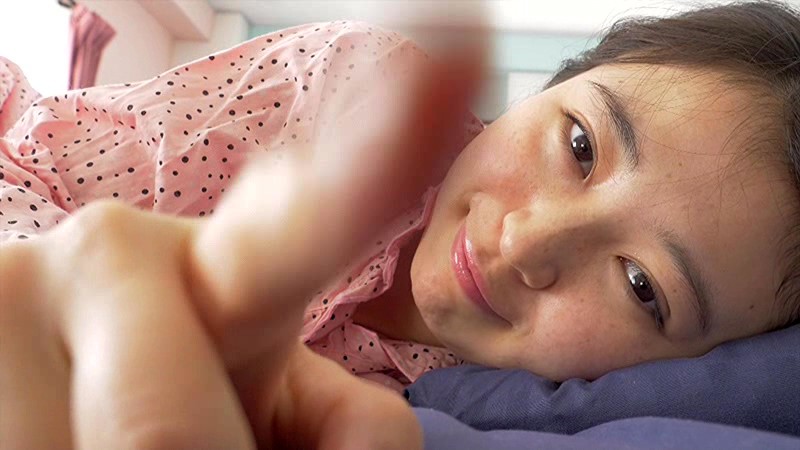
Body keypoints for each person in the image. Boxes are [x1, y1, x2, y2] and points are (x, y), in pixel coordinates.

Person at [1, 1, 799, 448]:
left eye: (640, 285)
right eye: (581, 146)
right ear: (556, 86)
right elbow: (25, 159)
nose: (524, 242)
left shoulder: (450, 417)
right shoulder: (352, 91)